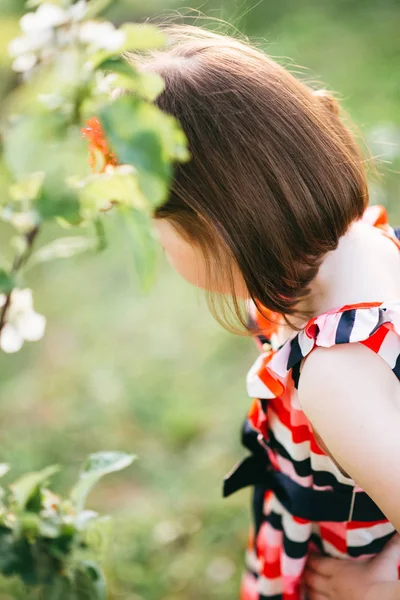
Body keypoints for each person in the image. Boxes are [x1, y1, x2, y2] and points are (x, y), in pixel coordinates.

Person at [123, 25, 400, 599]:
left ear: (220, 233)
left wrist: (380, 585)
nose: (162, 253)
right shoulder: (367, 241)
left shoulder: (335, 373)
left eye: (163, 238)